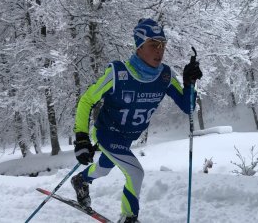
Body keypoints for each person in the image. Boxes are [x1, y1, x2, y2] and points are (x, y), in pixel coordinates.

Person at [71, 18, 202, 223]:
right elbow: (87, 100)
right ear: (140, 47)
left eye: (163, 45)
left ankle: (81, 180)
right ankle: (129, 217)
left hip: (127, 138)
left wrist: (189, 83)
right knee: (135, 173)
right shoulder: (118, 73)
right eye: (154, 45)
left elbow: (188, 106)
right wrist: (81, 137)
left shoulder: (165, 76)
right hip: (106, 132)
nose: (160, 51)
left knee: (104, 169)